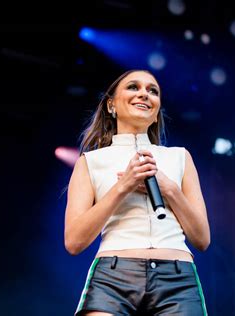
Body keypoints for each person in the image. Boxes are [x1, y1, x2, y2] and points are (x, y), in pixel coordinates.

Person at [65, 69, 211, 315]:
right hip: (113, 276)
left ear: (155, 114)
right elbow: (74, 241)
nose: (144, 93)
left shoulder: (179, 157)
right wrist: (124, 186)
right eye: (133, 87)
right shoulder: (90, 161)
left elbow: (202, 239)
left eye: (152, 90)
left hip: (176, 277)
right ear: (112, 105)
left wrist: (169, 189)